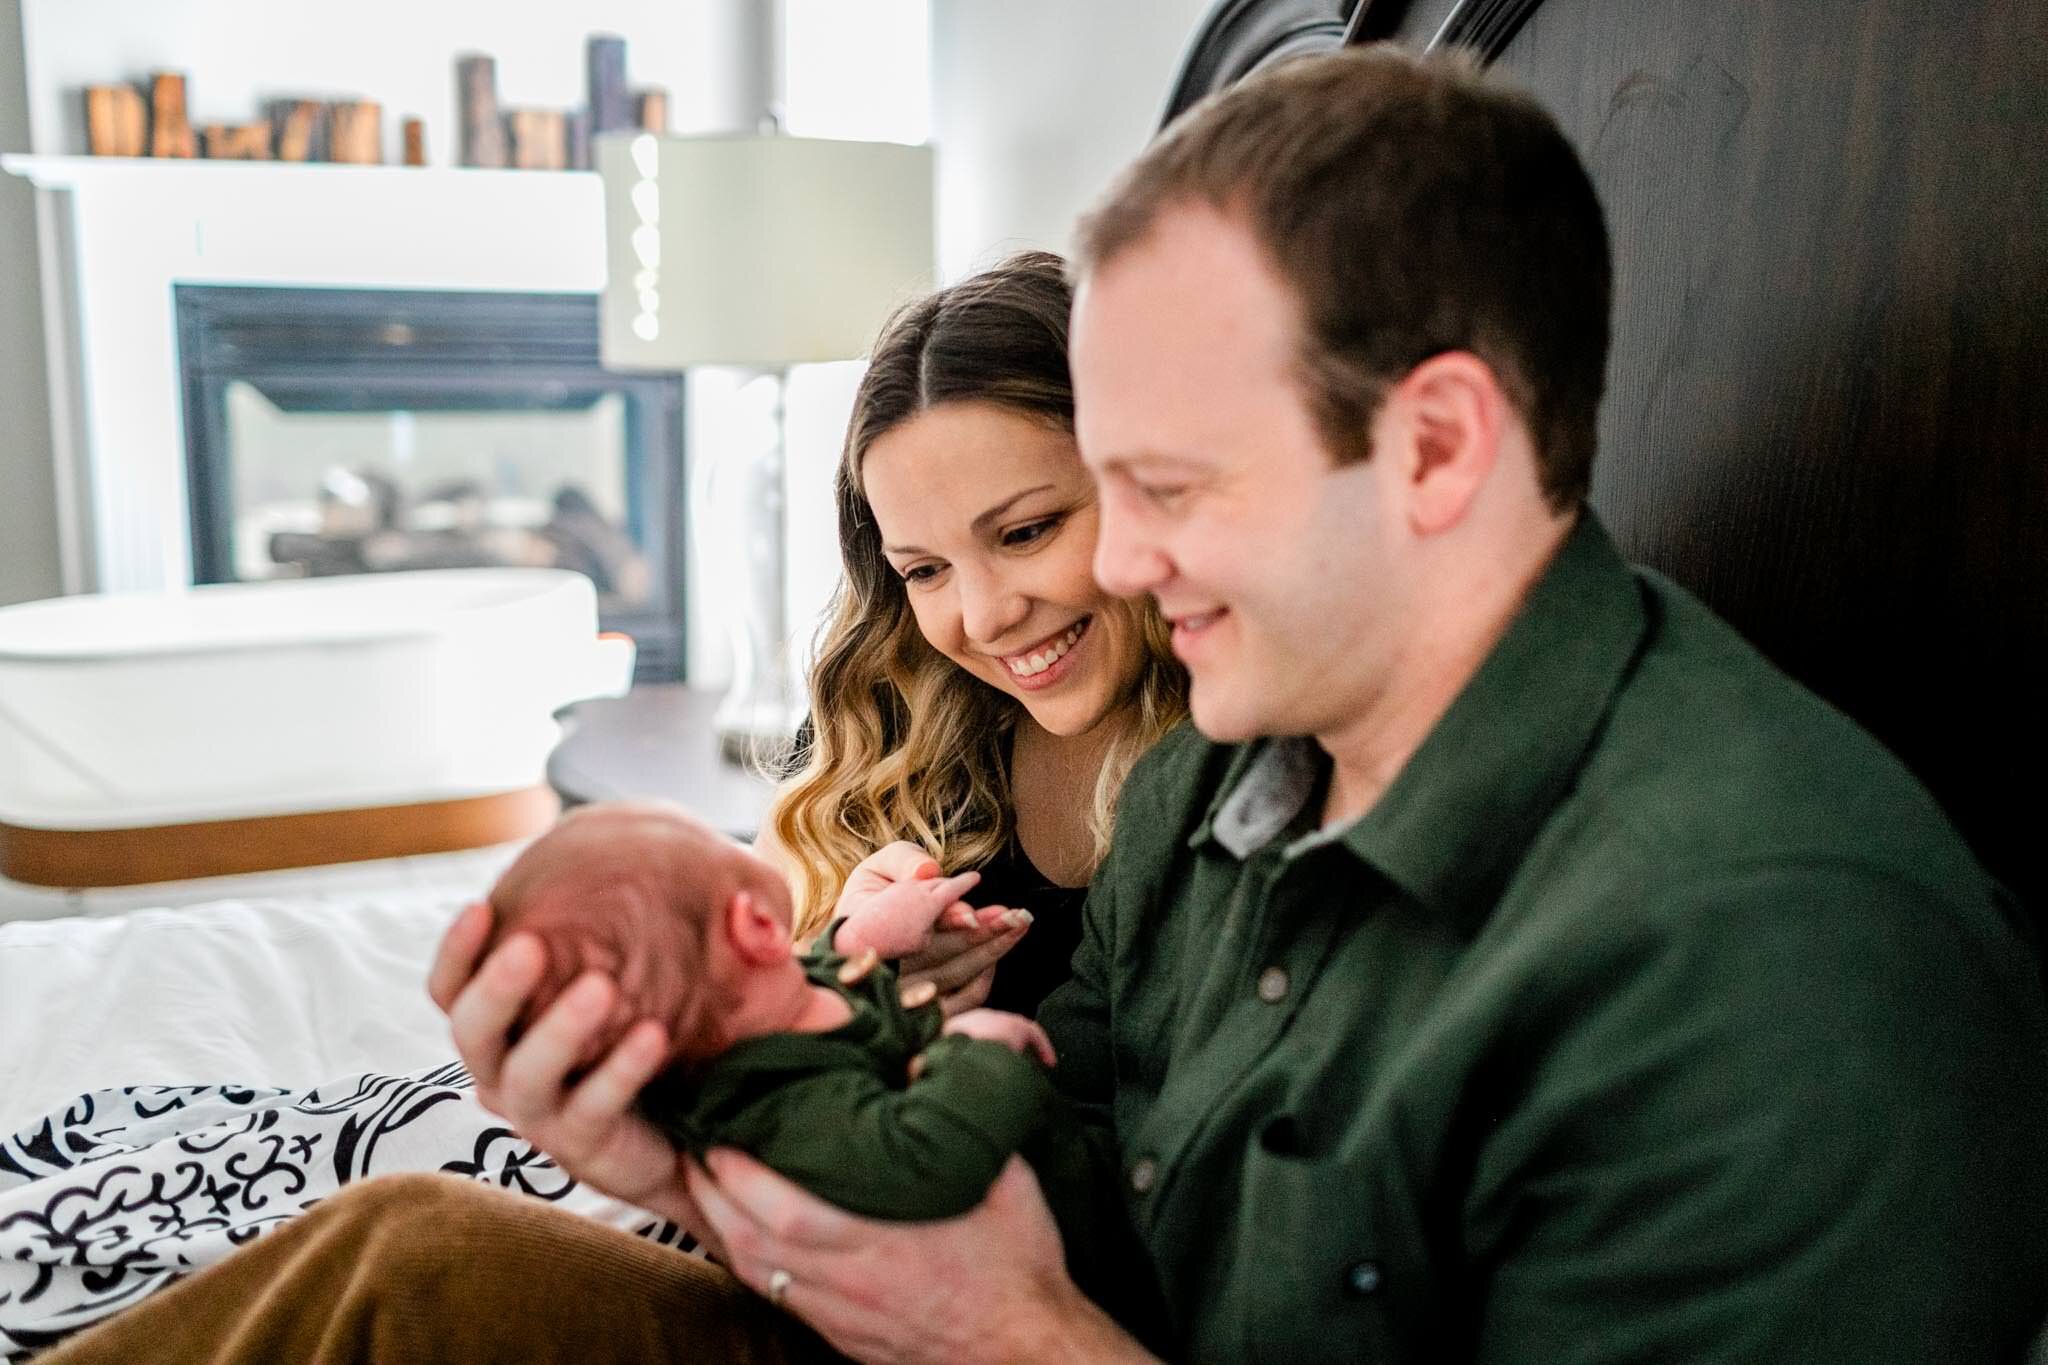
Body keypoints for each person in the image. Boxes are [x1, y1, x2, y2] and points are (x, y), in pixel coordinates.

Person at [36, 43, 2048, 1364]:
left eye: (1154, 490)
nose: (1112, 572)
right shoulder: (1216, 791)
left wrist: (1015, 1343)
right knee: (415, 1261)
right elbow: (1063, 1147)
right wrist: (720, 1148)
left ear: (1432, 447)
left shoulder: (1771, 963)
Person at [29, 252, 1185, 1361]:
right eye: (923, 569)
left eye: (1027, 531)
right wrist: (862, 967)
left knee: (392, 1248)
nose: (979, 616)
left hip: (871, 1265)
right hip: (755, 1190)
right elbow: (797, 1021)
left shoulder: (1222, 799)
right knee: (238, 1200)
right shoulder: (938, 728)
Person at [479, 801, 1070, 1224]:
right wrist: (977, 1049)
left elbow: (817, 1014)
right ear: (759, 926)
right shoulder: (778, 1109)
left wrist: (854, 945)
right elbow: (921, 1161)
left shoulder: (757, 1037)